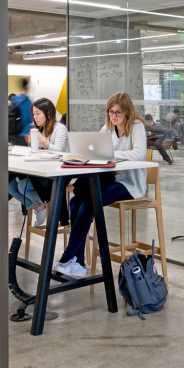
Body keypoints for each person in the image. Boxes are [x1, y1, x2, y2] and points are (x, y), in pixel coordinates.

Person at [56, 92, 147, 278]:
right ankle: (79, 262)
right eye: (110, 111)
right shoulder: (107, 127)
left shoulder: (137, 127)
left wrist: (110, 153)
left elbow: (138, 154)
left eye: (118, 113)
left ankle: (67, 257)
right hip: (110, 180)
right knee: (74, 202)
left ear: (127, 113)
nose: (113, 116)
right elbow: (95, 148)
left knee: (90, 202)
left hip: (130, 185)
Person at [10, 98, 69, 226]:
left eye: (38, 113)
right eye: (33, 114)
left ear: (48, 114)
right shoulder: (41, 129)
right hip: (44, 169)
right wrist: (31, 144)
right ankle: (38, 206)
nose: (35, 117)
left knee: (22, 186)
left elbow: (59, 151)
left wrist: (41, 139)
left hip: (60, 172)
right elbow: (36, 152)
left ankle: (40, 206)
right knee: (10, 186)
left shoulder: (60, 128)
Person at [10, 79, 33, 145]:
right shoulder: (28, 102)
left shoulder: (14, 100)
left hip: (13, 134)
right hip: (24, 134)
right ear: (26, 87)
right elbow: (30, 119)